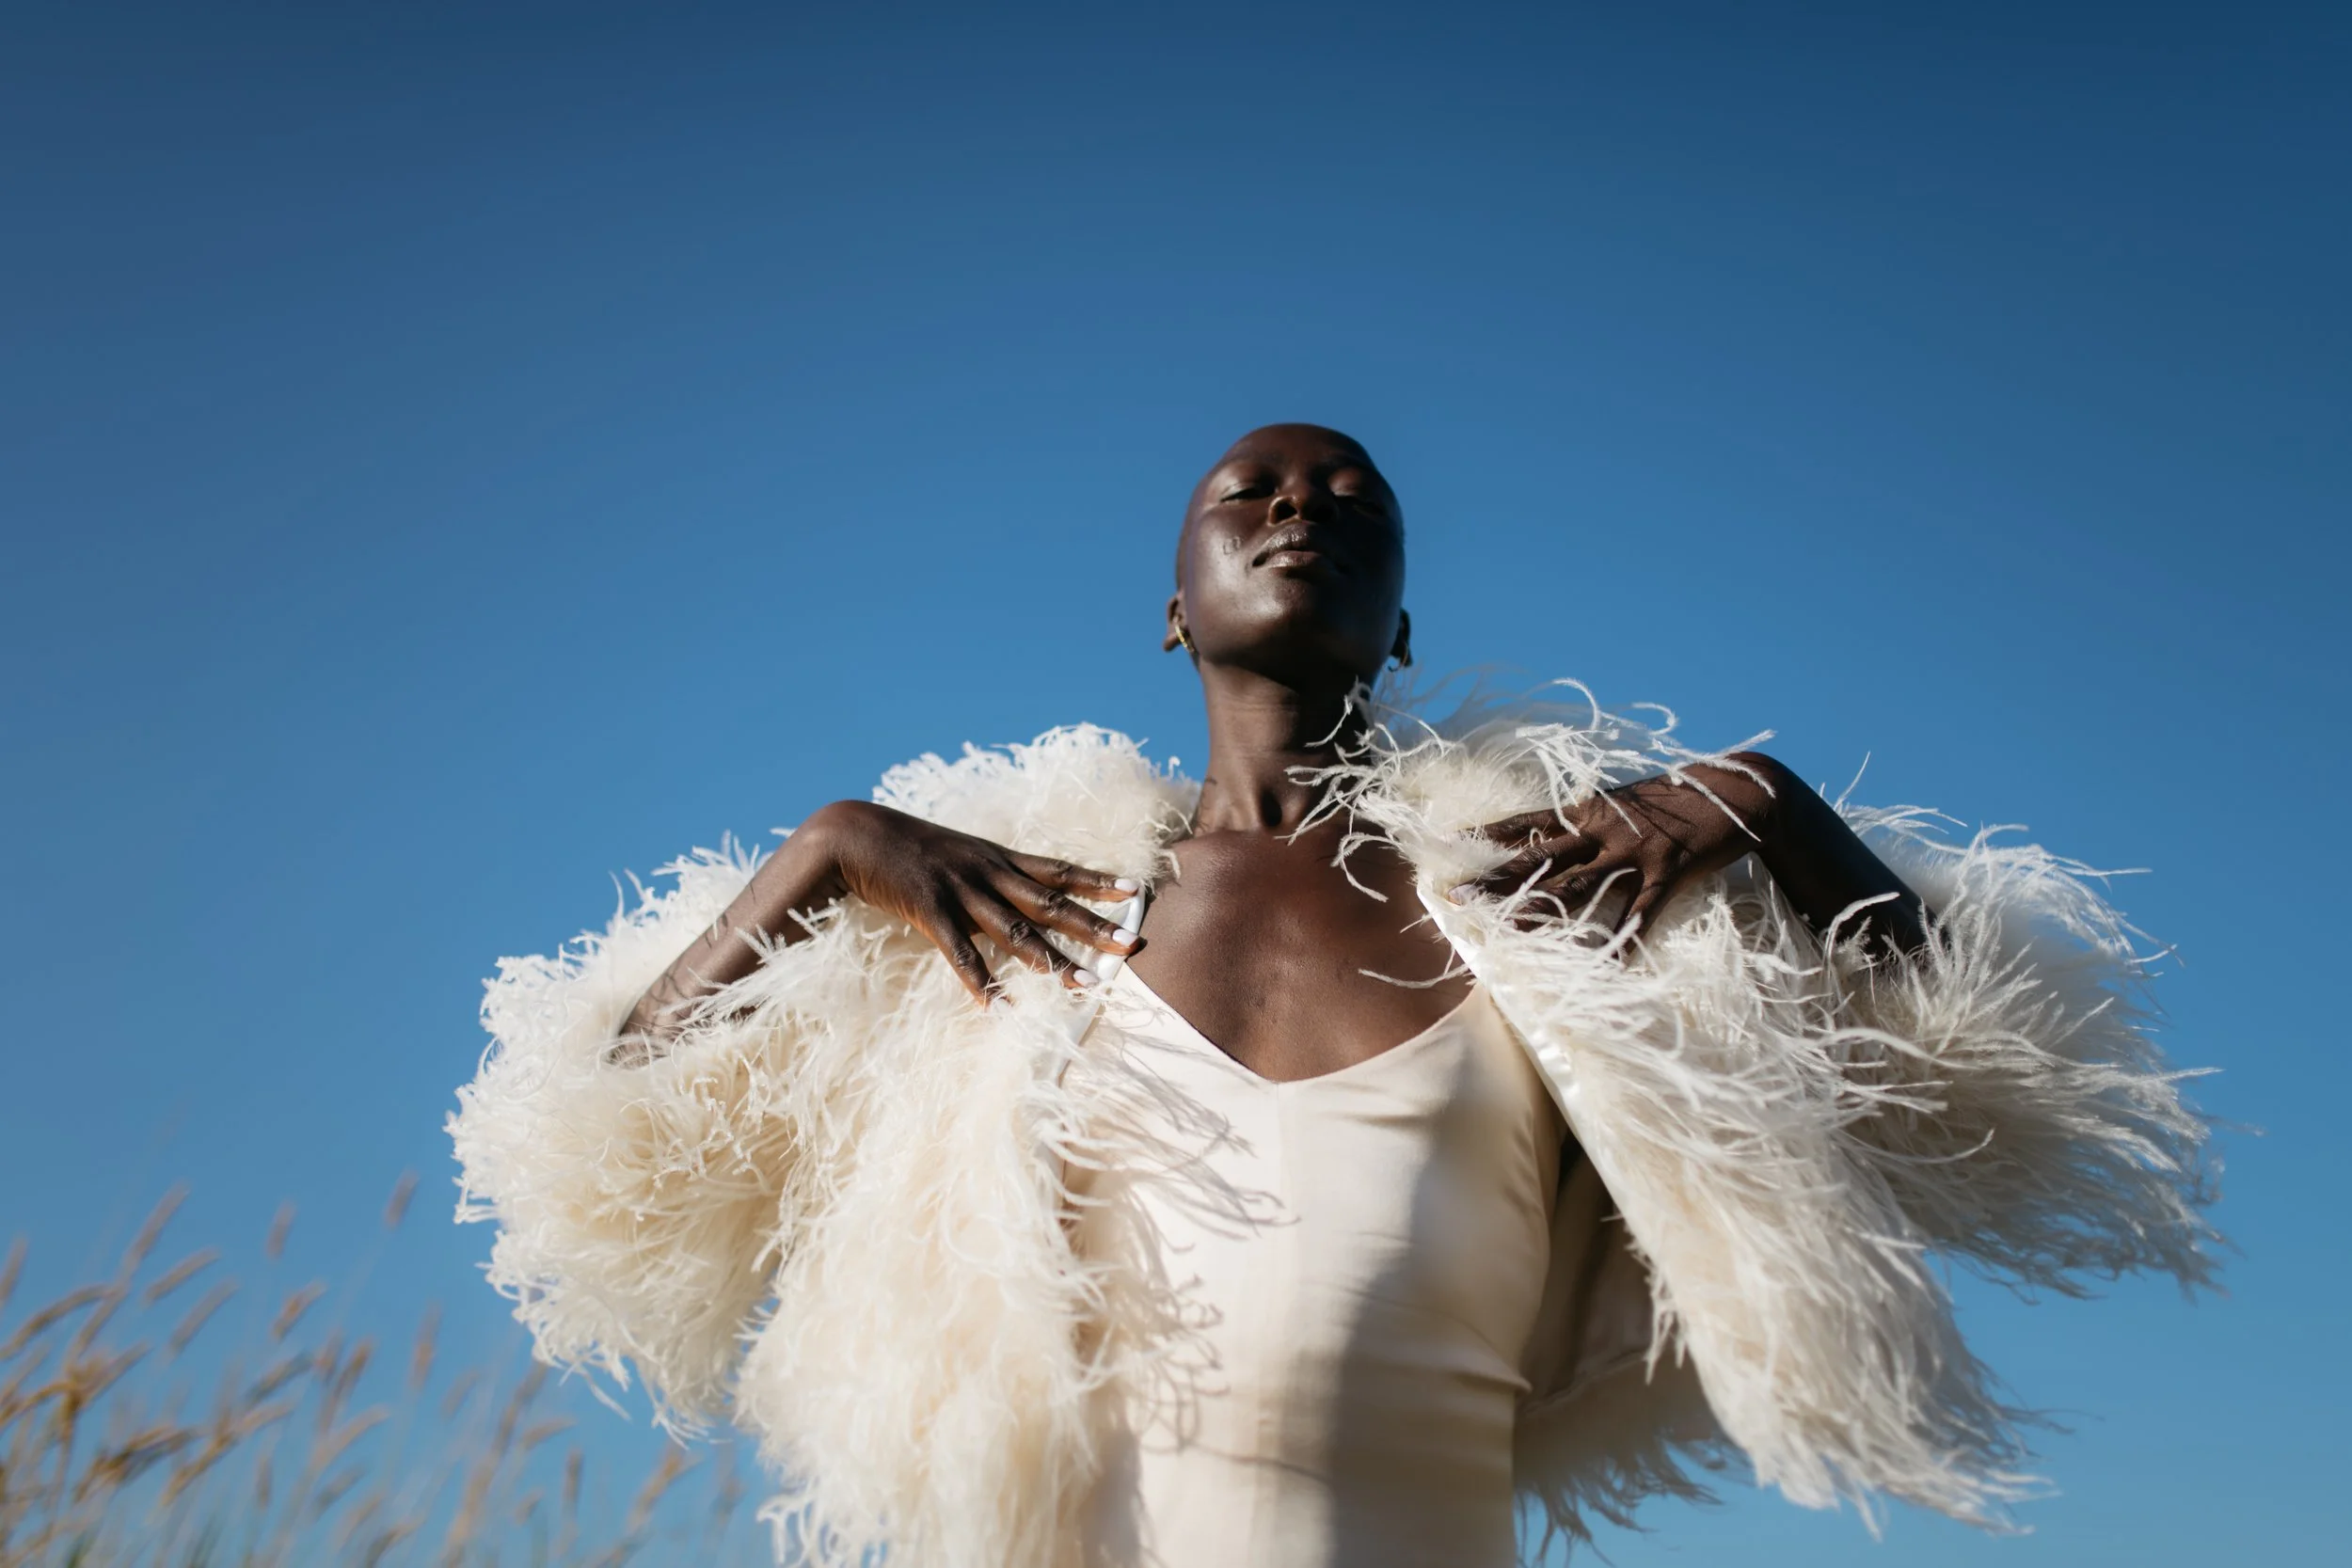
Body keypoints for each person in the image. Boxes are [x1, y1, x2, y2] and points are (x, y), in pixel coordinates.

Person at [451, 425, 2217, 1568]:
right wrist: (824, 855)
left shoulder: (1566, 898)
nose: (1303, 507)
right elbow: (603, 1141)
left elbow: (1981, 1085)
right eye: (1256, 494)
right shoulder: (999, 897)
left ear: (1401, 620)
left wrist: (1770, 803)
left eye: (1352, 499)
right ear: (1174, 607)